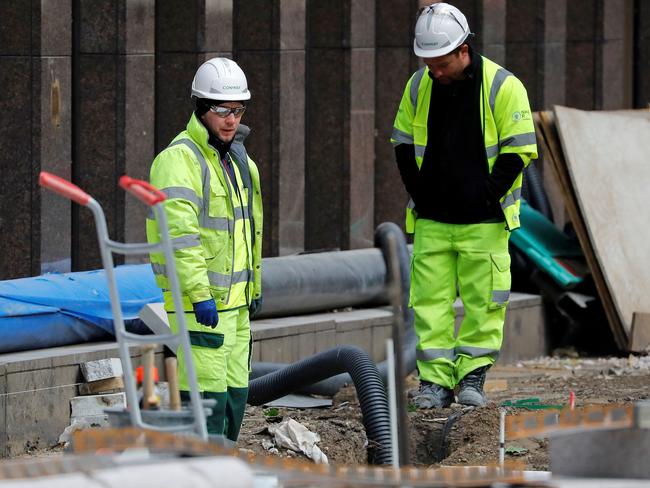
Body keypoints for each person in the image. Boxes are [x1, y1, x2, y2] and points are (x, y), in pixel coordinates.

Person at [391, 3, 537, 408]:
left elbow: (519, 150)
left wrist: (487, 194)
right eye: (427, 62)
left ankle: (472, 377)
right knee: (429, 305)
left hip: (485, 221)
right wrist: (419, 192)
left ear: (463, 50)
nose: (433, 70)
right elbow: (402, 142)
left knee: (484, 304)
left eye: (440, 63)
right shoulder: (419, 85)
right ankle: (434, 383)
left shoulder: (503, 86)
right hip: (433, 219)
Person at [146, 57, 263, 440]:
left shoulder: (239, 160)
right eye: (221, 110)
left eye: (237, 110)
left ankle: (223, 465)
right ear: (200, 107)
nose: (231, 119)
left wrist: (252, 290)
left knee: (235, 390)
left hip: (235, 302)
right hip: (201, 303)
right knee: (206, 393)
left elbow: (249, 233)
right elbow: (178, 238)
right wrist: (197, 295)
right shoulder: (179, 160)